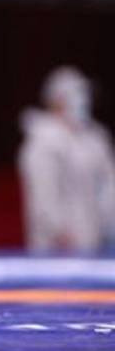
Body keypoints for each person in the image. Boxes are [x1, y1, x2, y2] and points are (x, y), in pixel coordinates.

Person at [19, 66, 115, 254]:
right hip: (60, 247)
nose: (83, 100)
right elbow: (43, 196)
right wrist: (60, 233)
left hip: (97, 240)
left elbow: (108, 184)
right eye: (75, 94)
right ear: (55, 101)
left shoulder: (96, 138)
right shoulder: (43, 141)